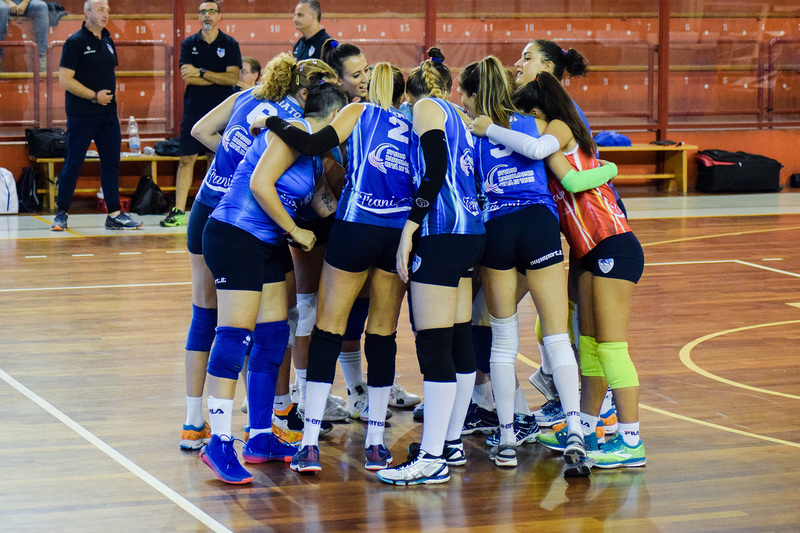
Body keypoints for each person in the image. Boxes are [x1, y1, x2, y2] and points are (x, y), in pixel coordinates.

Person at [472, 71, 639, 472]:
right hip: (584, 251)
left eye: (527, 113)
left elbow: (572, 178)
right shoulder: (537, 139)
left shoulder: (558, 127)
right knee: (581, 342)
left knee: (606, 347)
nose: (524, 120)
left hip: (611, 242)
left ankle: (630, 438)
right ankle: (583, 427)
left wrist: (611, 169)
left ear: (539, 110)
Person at [178, 53, 337, 452]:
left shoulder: (252, 97)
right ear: (310, 95)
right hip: (238, 222)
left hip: (219, 208)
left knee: (263, 326)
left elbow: (200, 130)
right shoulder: (290, 128)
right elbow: (265, 184)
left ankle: (230, 428)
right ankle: (233, 433)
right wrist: (294, 226)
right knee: (237, 329)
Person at [263, 62, 415, 473]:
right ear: (402, 94)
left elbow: (312, 143)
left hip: (355, 227)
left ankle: (310, 443)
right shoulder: (412, 123)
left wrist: (272, 121)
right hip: (395, 233)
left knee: (328, 329)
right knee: (382, 335)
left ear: (370, 88)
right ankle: (376, 443)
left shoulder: (358, 111)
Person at [376, 48, 484, 486]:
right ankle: (451, 442)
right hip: (470, 231)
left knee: (434, 345)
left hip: (441, 231)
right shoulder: (460, 114)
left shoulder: (424, 107)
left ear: (410, 94)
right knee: (458, 339)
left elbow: (435, 168)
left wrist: (410, 227)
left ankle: (433, 457)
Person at [50, 0, 142, 231]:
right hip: (82, 114)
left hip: (108, 114)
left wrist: (105, 100)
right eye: (101, 10)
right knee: (73, 163)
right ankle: (61, 213)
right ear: (87, 12)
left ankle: (114, 215)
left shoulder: (108, 40)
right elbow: (65, 80)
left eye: (108, 10)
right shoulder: (75, 42)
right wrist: (94, 96)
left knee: (111, 163)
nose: (106, 14)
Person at [161, 0, 241, 228]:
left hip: (221, 111)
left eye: (212, 11)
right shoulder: (189, 43)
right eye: (203, 11)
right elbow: (188, 77)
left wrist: (202, 72)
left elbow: (232, 78)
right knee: (186, 159)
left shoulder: (229, 44)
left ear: (219, 16)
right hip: (193, 110)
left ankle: (210, 208)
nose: (207, 15)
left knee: (214, 159)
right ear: (198, 16)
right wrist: (215, 76)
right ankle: (179, 210)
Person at [0, 0, 48, 72]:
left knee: (41, 6)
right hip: (3, 2)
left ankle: (41, 58)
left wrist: (24, 3)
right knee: (2, 8)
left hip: (26, 3)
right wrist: (9, 2)